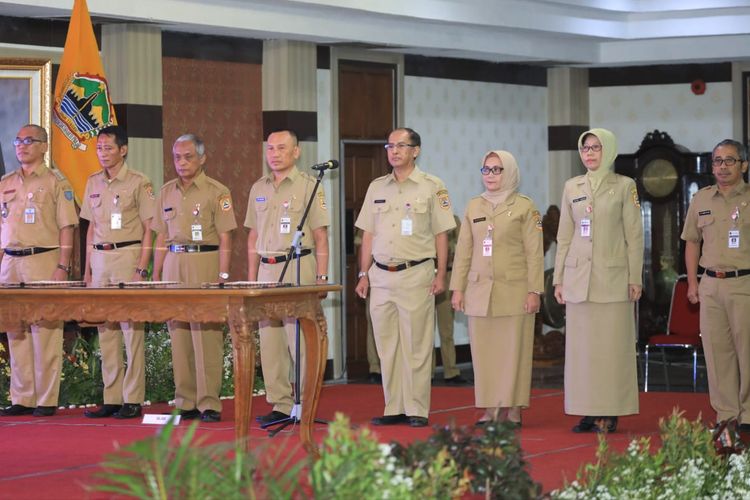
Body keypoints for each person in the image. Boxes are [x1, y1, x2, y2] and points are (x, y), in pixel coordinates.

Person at [355, 127, 456, 428]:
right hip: (381, 275)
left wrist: (440, 273)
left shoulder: (432, 186)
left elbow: (442, 234)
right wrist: (363, 274)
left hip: (416, 274)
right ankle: (394, 406)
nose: (394, 151)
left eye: (402, 145)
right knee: (387, 345)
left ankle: (416, 408)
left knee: (416, 345)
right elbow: (368, 234)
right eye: (390, 146)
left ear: (416, 150)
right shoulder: (377, 187)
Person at [553, 128, 643, 433]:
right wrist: (559, 279)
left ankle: (611, 410)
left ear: (609, 150)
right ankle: (586, 410)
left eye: (596, 148)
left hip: (614, 279)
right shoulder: (571, 186)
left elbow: (634, 235)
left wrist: (635, 276)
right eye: (585, 148)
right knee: (582, 352)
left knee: (611, 350)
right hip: (579, 280)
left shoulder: (625, 186)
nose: (589, 153)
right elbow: (564, 236)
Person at [450, 150, 543, 425]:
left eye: (497, 170)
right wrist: (458, 289)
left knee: (515, 351)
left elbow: (534, 253)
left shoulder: (526, 207)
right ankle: (490, 408)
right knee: (485, 354)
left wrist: (534, 291)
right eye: (486, 170)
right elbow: (464, 251)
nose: (491, 175)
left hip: (515, 291)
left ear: (510, 172)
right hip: (479, 291)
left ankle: (514, 408)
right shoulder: (473, 206)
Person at [245, 129, 329, 425]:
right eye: (270, 149)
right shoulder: (259, 187)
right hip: (267, 271)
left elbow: (321, 236)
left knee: (300, 341)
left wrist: (321, 277)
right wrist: (252, 278)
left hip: (298, 267)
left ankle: (305, 403)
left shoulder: (309, 186)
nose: (275, 154)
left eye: (282, 148)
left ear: (296, 152)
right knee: (271, 342)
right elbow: (252, 237)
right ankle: (280, 404)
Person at [152, 134, 236, 423]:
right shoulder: (165, 192)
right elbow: (160, 236)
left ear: (202, 158)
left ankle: (209, 403)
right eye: (177, 157)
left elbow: (226, 237)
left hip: (205, 262)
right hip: (174, 264)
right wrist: (156, 275)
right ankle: (185, 401)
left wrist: (223, 275)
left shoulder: (217, 191)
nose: (182, 162)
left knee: (206, 337)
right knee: (179, 336)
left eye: (188, 156)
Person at [0, 124, 78, 417]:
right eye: (17, 141)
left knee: (45, 330)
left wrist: (62, 267)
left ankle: (46, 399)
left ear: (44, 146)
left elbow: (66, 227)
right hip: (10, 262)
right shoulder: (6, 183)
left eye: (29, 141)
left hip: (43, 260)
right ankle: (22, 397)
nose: (22, 146)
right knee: (15, 331)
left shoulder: (57, 182)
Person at [81, 125, 155, 419]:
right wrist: (86, 271)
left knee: (131, 330)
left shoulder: (139, 182)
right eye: (99, 148)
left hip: (128, 255)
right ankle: (111, 397)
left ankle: (132, 398)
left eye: (108, 148)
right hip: (100, 258)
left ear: (123, 150)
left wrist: (141, 268)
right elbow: (89, 229)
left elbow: (151, 228)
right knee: (105, 329)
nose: (103, 153)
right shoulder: (93, 182)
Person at [681, 139, 750, 431]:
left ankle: (748, 416)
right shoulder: (701, 199)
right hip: (710, 284)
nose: (722, 167)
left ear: (744, 165)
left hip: (744, 283)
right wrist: (692, 283)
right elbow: (692, 242)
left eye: (729, 161)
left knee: (746, 353)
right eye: (717, 161)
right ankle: (726, 414)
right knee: (716, 352)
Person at [434, 214, 467, 385]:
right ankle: (427, 373)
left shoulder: (452, 220)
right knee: (422, 333)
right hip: (423, 277)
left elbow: (463, 247)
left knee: (446, 329)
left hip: (446, 276)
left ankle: (451, 371)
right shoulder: (419, 218)